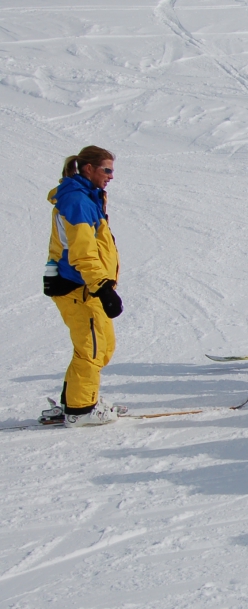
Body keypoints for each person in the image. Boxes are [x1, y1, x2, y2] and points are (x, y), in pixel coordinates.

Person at [43, 146, 124, 426]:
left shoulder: (86, 198)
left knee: (102, 347)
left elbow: (60, 244)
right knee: (91, 347)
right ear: (88, 168)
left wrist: (51, 269)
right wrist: (102, 287)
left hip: (84, 285)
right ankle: (80, 411)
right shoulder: (77, 200)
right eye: (107, 169)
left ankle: (75, 400)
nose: (111, 176)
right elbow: (82, 252)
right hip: (81, 287)